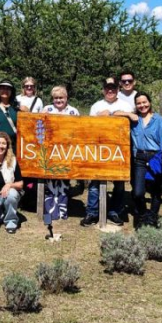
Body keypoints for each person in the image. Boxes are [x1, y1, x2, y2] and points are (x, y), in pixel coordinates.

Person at [81, 77, 130, 227]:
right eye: (107, 88)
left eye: (113, 88)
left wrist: (119, 114)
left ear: (117, 90)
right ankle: (92, 212)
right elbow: (88, 127)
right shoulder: (96, 106)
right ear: (103, 90)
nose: (110, 91)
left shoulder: (125, 105)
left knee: (119, 184)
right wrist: (98, 117)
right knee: (94, 183)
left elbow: (131, 124)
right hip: (99, 148)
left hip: (118, 150)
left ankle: (115, 212)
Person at [43, 85, 80, 222]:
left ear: (66, 98)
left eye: (61, 98)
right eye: (56, 98)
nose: (59, 100)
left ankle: (63, 210)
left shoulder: (73, 111)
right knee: (50, 181)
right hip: (50, 150)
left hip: (66, 150)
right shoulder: (47, 109)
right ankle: (50, 211)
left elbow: (78, 130)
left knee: (64, 181)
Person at [129, 92, 162, 227]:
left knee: (156, 192)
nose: (142, 105)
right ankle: (143, 215)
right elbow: (116, 114)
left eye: (144, 102)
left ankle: (152, 217)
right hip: (139, 158)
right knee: (138, 192)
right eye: (139, 103)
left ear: (149, 102)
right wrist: (128, 114)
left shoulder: (159, 120)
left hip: (155, 157)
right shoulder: (134, 121)